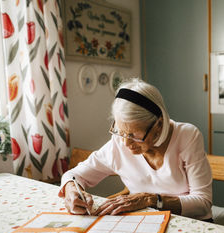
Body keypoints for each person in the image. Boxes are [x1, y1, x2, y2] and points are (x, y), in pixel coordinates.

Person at [58, 78, 213, 221]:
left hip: (191, 224)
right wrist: (72, 190)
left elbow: (203, 202)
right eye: (120, 131)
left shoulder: (187, 136)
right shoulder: (118, 142)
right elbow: (73, 175)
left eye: (133, 135)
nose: (126, 142)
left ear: (158, 125)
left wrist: (150, 199)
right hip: (146, 222)